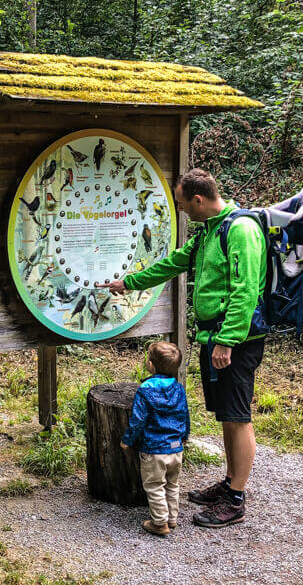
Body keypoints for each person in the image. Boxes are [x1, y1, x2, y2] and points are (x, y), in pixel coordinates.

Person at [100, 168, 267, 528]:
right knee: (226, 414)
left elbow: (245, 289)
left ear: (198, 199)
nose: (182, 212)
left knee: (238, 417)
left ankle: (236, 499)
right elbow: (174, 262)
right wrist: (129, 282)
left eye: (182, 205)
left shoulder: (241, 230)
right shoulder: (210, 231)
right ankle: (229, 483)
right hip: (214, 338)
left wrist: (227, 340)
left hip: (234, 342)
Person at [120, 341, 189, 537]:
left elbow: (138, 420)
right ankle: (172, 518)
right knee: (172, 484)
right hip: (176, 448)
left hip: (154, 449)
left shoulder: (146, 389)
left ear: (151, 365)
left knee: (154, 485)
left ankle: (159, 523)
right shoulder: (178, 388)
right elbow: (185, 415)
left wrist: (128, 439)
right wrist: (184, 436)